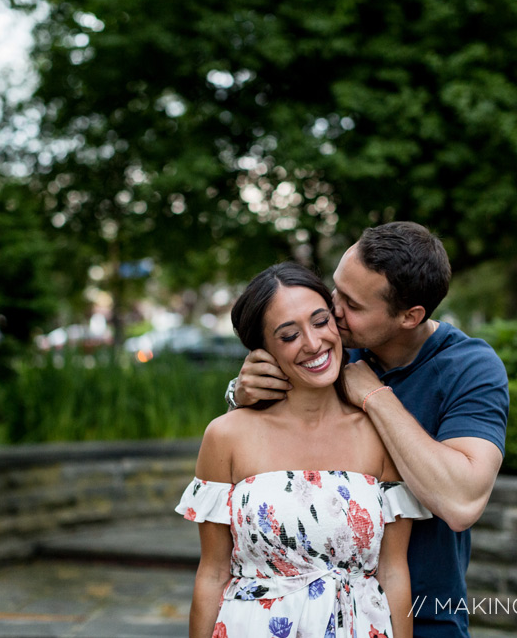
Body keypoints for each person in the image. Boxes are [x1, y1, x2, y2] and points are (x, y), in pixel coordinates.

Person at [228, 222, 509, 638]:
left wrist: (376, 397)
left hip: (426, 613)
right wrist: (240, 394)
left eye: (353, 305)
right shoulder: (327, 347)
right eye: (336, 289)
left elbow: (462, 501)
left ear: (410, 316)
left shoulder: (470, 368)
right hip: (309, 613)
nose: (334, 310)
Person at [177, 262, 431, 638]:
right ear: (263, 351)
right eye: (288, 335)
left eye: (320, 321)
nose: (313, 344)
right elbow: (213, 572)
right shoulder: (226, 436)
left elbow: (393, 572)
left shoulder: (380, 434)